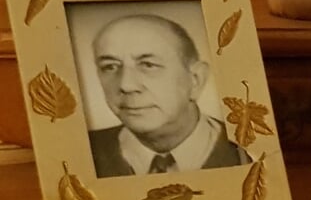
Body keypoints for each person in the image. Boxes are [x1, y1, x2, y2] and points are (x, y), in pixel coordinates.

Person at [85, 13, 248, 176]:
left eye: (148, 65)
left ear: (195, 80)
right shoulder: (80, 150)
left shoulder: (248, 150)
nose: (126, 85)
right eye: (110, 67)